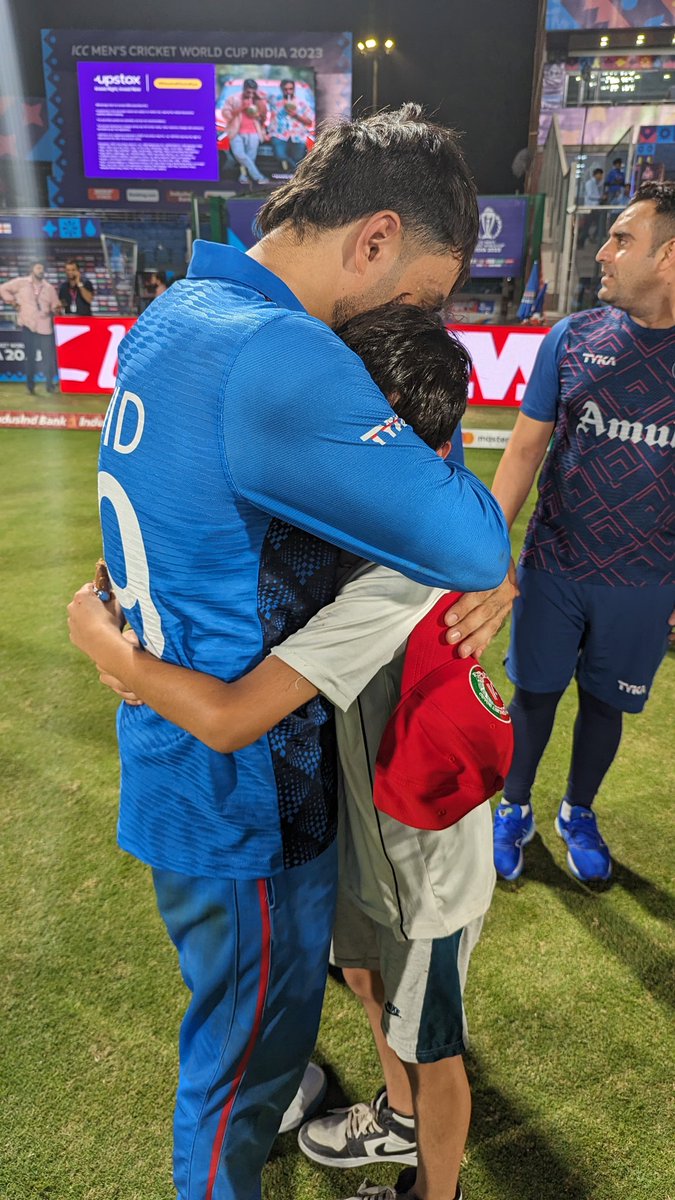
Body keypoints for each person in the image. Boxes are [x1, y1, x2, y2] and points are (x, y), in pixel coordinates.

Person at [75, 105, 515, 1200]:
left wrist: (112, 638)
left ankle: (284, 1076)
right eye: (420, 295)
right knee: (237, 1071)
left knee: (242, 1014)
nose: (412, 326)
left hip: (174, 755)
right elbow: (470, 539)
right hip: (245, 795)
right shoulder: (280, 350)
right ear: (372, 238)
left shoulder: (182, 308)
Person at [490, 180, 675, 885]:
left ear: (665, 256)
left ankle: (577, 810)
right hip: (554, 564)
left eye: (621, 239)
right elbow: (522, 450)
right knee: (532, 694)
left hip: (644, 582)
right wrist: (489, 551)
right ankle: (512, 808)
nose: (602, 251)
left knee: (606, 703)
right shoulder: (572, 338)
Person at [0, 260, 60, 394]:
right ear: (32, 269)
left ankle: (49, 385)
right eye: (39, 268)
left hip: (45, 327)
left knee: (48, 358)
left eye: (43, 268)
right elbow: (2, 288)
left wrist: (57, 308)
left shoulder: (49, 288)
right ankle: (30, 386)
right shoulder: (21, 283)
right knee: (30, 357)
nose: (41, 270)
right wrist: (13, 303)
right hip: (28, 325)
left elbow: (55, 305)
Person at [220, 78, 269, 187]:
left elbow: (263, 118)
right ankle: (258, 177)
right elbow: (226, 115)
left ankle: (243, 177)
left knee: (250, 158)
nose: (251, 94)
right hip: (236, 132)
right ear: (244, 89)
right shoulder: (233, 99)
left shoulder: (259, 100)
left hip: (254, 133)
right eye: (248, 92)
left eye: (253, 92)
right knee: (239, 154)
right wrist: (241, 108)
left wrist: (258, 115)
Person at [268, 79, 314, 173]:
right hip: (278, 134)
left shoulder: (302, 103)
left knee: (297, 158)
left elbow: (309, 121)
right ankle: (296, 172)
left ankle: (291, 175)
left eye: (290, 89)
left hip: (298, 135)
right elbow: (261, 97)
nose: (288, 91)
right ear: (281, 89)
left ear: (294, 89)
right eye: (285, 89)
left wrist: (296, 115)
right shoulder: (275, 101)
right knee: (280, 155)